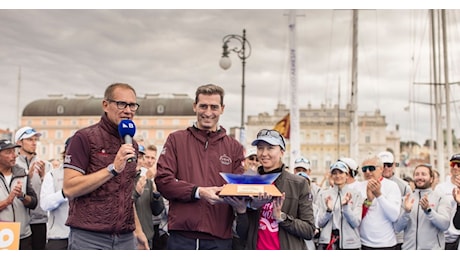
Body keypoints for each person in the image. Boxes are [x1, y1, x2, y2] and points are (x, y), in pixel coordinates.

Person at [154, 83, 245, 250]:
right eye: (203, 106)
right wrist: (198, 192)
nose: (208, 112)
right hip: (181, 237)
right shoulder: (176, 140)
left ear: (222, 109)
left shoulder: (235, 147)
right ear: (195, 107)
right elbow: (162, 181)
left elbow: (239, 190)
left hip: (219, 239)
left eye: (214, 107)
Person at [63, 82, 148, 250]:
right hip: (89, 237)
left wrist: (138, 231)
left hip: (125, 238)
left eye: (132, 105)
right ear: (105, 105)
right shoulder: (84, 138)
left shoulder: (132, 144)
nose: (128, 110)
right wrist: (112, 169)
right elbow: (69, 188)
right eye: (121, 104)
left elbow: (126, 195)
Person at [225, 129, 316, 250]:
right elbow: (242, 234)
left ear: (282, 152)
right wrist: (242, 212)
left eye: (270, 148)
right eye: (260, 148)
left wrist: (281, 217)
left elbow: (309, 230)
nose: (264, 153)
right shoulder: (249, 182)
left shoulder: (298, 184)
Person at [394, 164, 451, 249]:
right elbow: (397, 228)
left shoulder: (441, 198)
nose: (420, 177)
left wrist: (429, 211)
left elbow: (445, 225)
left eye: (423, 174)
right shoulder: (407, 199)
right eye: (417, 174)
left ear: (431, 179)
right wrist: (406, 212)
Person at [15, 126, 52, 250]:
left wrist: (43, 177)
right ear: (19, 142)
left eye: (35, 139)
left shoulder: (46, 165)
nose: (34, 143)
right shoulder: (12, 165)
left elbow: (50, 193)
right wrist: (27, 176)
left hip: (39, 220)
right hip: (17, 223)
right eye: (30, 139)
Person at [0, 139, 38, 250]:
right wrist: (7, 201)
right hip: (3, 237)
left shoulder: (22, 173)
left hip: (23, 236)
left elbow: (34, 203)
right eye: (8, 152)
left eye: (14, 151)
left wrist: (22, 196)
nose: (14, 155)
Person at [357, 154, 401, 250]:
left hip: (387, 244)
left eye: (371, 168)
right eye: (364, 169)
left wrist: (379, 195)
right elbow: (356, 217)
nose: (367, 172)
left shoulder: (392, 186)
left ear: (381, 169)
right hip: (364, 243)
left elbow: (394, 216)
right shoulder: (358, 187)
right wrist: (368, 201)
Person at [316, 161, 362, 250]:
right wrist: (328, 211)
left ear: (347, 175)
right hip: (328, 243)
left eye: (341, 172)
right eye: (334, 173)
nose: (338, 176)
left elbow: (356, 222)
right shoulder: (324, 195)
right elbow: (320, 223)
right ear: (331, 176)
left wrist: (345, 207)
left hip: (350, 244)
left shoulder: (356, 195)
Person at [40, 137, 72, 250]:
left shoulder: (91, 175)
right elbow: (45, 204)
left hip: (85, 237)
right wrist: (63, 194)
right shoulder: (52, 175)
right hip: (59, 237)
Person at [377, 151, 412, 250]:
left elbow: (408, 213)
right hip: (379, 237)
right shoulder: (371, 184)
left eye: (389, 165)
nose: (386, 168)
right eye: (383, 165)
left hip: (398, 237)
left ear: (393, 165)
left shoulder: (404, 186)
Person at [133, 145, 165, 250]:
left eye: (141, 157)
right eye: (136, 157)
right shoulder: (121, 180)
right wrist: (136, 193)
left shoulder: (147, 181)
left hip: (147, 236)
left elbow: (157, 210)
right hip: (128, 237)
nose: (138, 160)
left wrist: (156, 194)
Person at [144, 144, 169, 250]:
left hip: (159, 223)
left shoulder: (161, 175)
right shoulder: (137, 174)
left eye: (152, 158)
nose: (150, 161)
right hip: (144, 223)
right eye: (147, 157)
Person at [434, 153, 460, 250]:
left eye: (459, 165)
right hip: (443, 237)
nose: (455, 167)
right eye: (453, 164)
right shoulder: (440, 188)